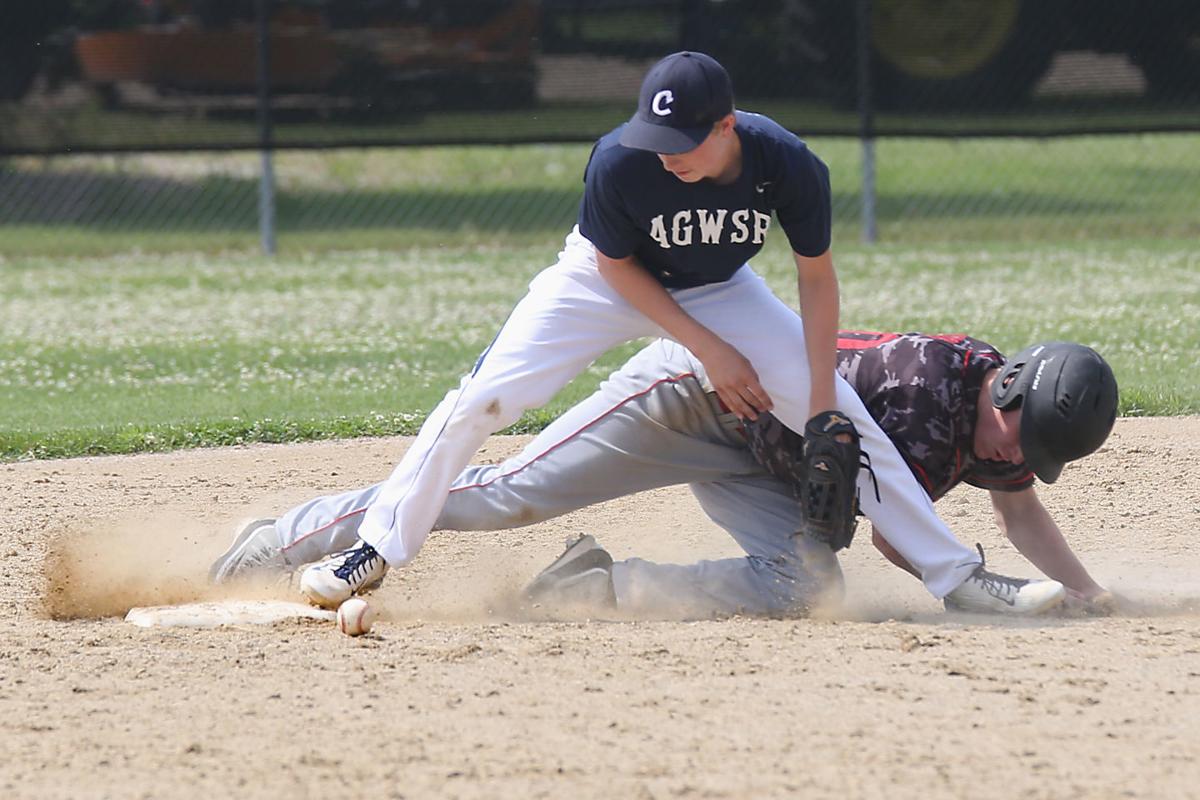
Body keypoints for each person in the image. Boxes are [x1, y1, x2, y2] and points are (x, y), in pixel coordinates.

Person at [292, 50, 996, 612]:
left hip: (719, 286)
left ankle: (956, 575)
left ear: (726, 127)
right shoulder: (621, 160)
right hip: (602, 280)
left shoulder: (785, 162)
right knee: (482, 400)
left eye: (683, 142)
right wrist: (706, 347)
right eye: (655, 139)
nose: (666, 155)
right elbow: (615, 265)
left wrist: (816, 402)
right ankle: (377, 546)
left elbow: (817, 277)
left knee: (842, 419)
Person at [212, 332, 1119, 618]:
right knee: (506, 493)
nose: (1014, 458)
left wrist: (1084, 592)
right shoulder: (931, 393)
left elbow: (1020, 513)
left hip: (766, 452)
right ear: (1007, 390)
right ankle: (287, 539)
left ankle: (595, 587)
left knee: (802, 584)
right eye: (1021, 436)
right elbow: (895, 532)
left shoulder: (994, 420)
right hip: (690, 395)